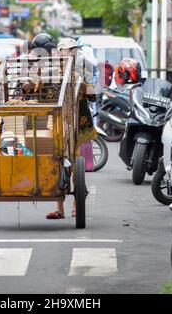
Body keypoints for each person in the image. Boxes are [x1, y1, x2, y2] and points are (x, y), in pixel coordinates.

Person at [45, 37, 97, 219]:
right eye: (69, 50)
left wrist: (85, 87)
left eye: (74, 50)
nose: (73, 52)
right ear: (60, 52)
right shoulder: (51, 72)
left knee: (76, 164)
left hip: (79, 123)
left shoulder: (83, 70)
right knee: (58, 162)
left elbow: (92, 96)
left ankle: (77, 202)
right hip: (59, 122)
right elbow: (45, 94)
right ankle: (60, 208)